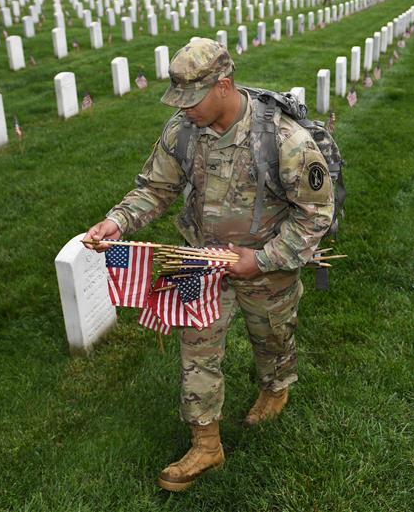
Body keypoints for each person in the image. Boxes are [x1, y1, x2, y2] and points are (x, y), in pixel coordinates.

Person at [85, 38, 335, 492]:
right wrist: (117, 220)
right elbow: (155, 188)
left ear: (224, 85)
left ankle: (275, 387)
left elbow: (315, 214)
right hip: (200, 261)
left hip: (267, 264)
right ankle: (206, 443)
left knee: (272, 337)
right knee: (196, 349)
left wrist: (261, 259)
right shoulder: (183, 130)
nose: (184, 108)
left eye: (192, 98)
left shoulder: (285, 141)